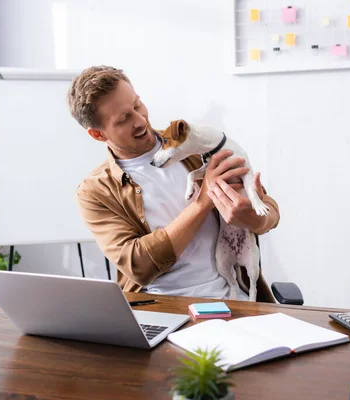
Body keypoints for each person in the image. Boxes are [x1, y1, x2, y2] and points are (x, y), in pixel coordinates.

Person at [67, 65, 280, 302]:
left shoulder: (196, 145)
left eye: (137, 105)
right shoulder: (95, 192)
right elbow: (139, 265)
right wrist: (202, 203)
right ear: (98, 135)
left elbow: (269, 214)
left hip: (236, 299)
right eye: (124, 119)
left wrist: (250, 215)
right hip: (163, 310)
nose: (140, 121)